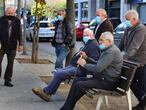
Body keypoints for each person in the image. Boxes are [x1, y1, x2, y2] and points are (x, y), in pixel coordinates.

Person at [32, 28, 100, 101]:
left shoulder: (94, 45)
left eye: (86, 35)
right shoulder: (89, 43)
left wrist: (88, 73)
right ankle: (47, 92)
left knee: (59, 73)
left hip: (81, 69)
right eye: (84, 35)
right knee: (58, 71)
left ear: (92, 35)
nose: (84, 36)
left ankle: (46, 92)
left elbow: (94, 61)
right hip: (76, 66)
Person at [59, 32, 123, 110]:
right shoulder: (108, 49)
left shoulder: (111, 52)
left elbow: (98, 68)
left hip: (108, 81)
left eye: (101, 40)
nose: (99, 42)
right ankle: (67, 107)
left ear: (109, 41)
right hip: (102, 78)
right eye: (99, 40)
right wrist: (87, 58)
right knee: (76, 81)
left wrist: (84, 65)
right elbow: (99, 64)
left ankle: (66, 108)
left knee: (79, 85)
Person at [119, 10, 146, 110]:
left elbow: (134, 47)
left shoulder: (141, 29)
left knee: (142, 85)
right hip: (132, 61)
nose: (125, 21)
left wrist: (123, 58)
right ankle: (143, 101)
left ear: (134, 19)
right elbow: (122, 44)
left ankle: (142, 103)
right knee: (130, 82)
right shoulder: (128, 28)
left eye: (127, 19)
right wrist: (116, 54)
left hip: (141, 61)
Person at [0, 6, 23, 87]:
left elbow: (20, 33)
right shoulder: (1, 20)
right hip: (1, 45)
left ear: (14, 13)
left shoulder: (17, 21)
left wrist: (20, 44)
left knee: (10, 64)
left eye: (12, 13)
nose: (10, 15)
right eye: (8, 13)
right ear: (5, 13)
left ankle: (7, 80)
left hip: (12, 45)